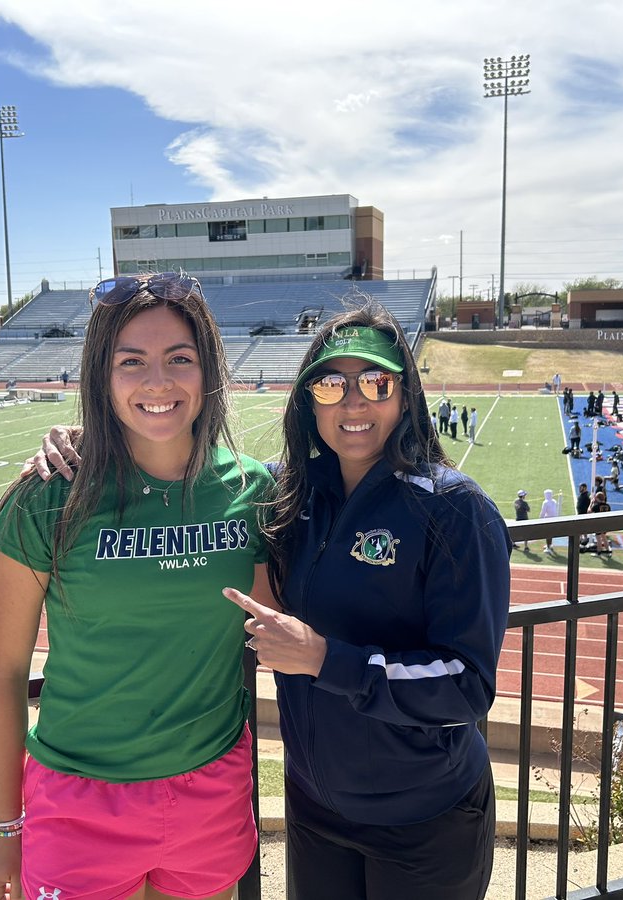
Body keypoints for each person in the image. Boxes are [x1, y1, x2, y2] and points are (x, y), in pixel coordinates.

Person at [0, 272, 274, 900]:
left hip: (212, 788)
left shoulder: (253, 490)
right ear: (101, 375)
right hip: (78, 799)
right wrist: (8, 827)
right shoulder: (49, 497)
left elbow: (283, 617)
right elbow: (4, 675)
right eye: (131, 361)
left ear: (208, 370)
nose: (158, 381)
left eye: (180, 359)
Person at [226, 304, 510, 899]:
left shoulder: (454, 508)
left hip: (424, 817)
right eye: (330, 385)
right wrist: (89, 444)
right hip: (314, 804)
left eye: (376, 383)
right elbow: (198, 472)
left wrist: (326, 660)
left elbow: (467, 685)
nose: (353, 403)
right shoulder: (291, 494)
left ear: (405, 396)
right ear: (309, 402)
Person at [589, 489, 611, 554]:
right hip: (605, 523)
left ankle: (599, 551)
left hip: (598, 524)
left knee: (598, 538)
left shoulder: (597, 506)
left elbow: (589, 512)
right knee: (604, 537)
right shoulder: (608, 506)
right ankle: (608, 551)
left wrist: (591, 503)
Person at [539, 488, 559, 554]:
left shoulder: (545, 502)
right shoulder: (554, 501)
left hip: (548, 519)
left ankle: (548, 547)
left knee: (547, 533)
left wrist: (540, 518)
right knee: (551, 533)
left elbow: (543, 512)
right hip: (554, 519)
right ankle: (550, 544)